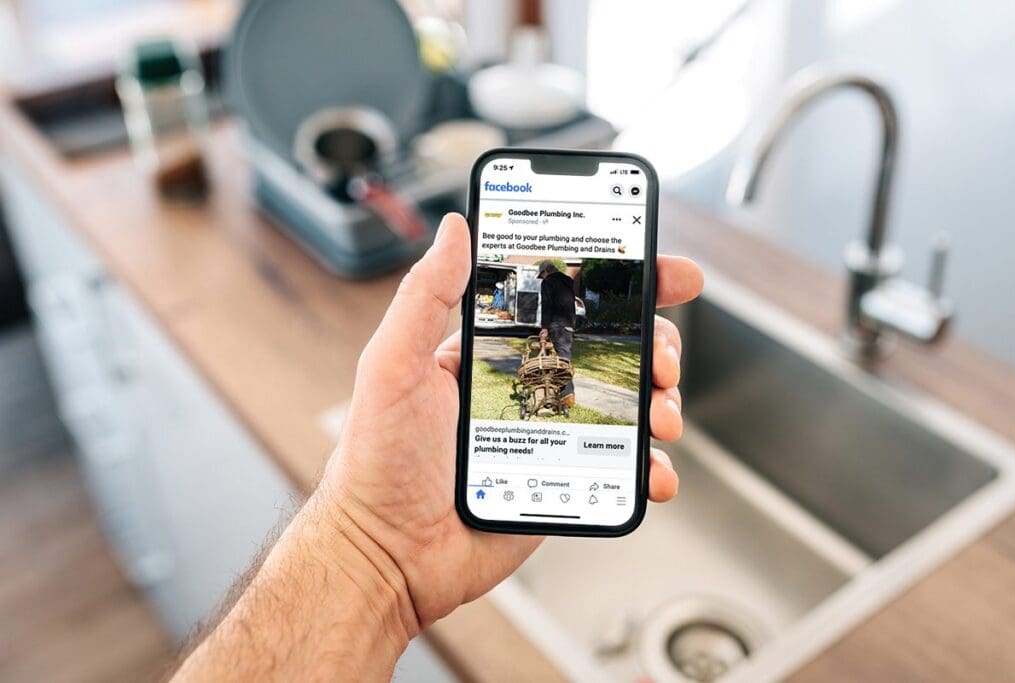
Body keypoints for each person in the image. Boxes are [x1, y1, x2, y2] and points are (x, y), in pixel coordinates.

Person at [171, 214, 703, 682]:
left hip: (552, 341)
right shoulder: (557, 285)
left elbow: (553, 317)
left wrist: (369, 550)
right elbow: (559, 318)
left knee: (552, 363)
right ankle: (553, 400)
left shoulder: (549, 285)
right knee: (554, 364)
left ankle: (551, 401)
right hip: (555, 343)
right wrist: (373, 545)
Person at [537, 260, 577, 406]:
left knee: (562, 359)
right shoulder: (567, 281)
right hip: (569, 324)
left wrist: (544, 327)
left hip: (557, 325)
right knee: (564, 356)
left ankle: (567, 395)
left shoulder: (548, 282)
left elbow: (546, 305)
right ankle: (561, 391)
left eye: (542, 275)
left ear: (546, 271)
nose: (542, 278)